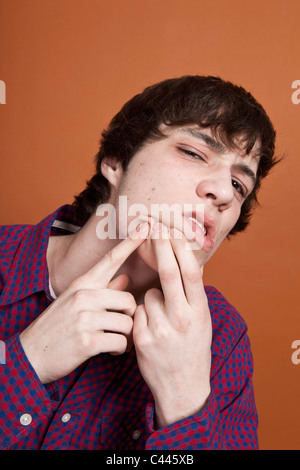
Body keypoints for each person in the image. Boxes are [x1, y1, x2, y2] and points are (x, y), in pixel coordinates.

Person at [0, 76, 278, 450]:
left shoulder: (224, 338)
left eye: (239, 185)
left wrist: (184, 398)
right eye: (194, 154)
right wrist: (28, 362)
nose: (225, 193)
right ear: (115, 161)